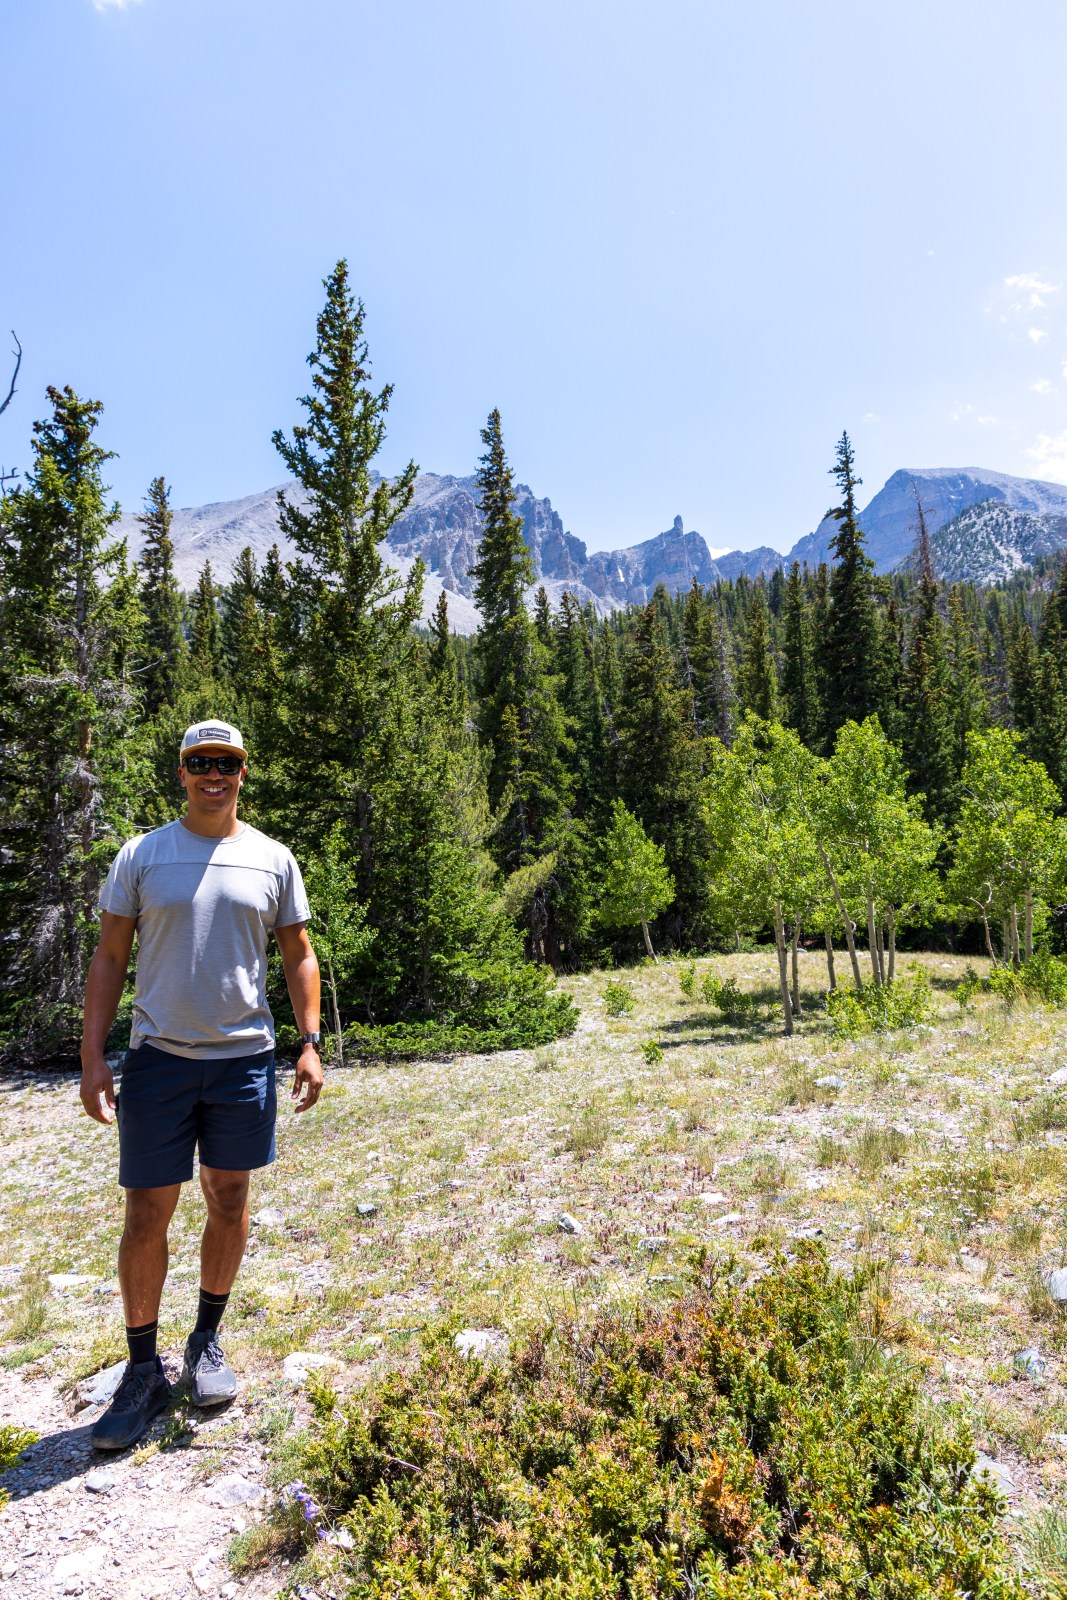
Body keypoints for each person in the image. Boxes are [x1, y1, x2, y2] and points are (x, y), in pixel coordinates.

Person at [79, 719, 323, 1451]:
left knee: (230, 1199)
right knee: (145, 1214)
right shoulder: (142, 855)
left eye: (226, 762)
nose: (214, 773)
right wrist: (93, 1057)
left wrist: (310, 1043)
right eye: (200, 761)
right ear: (182, 770)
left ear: (243, 772)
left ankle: (205, 1340)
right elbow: (109, 957)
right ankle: (142, 1370)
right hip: (159, 1059)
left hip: (244, 1061)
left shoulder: (273, 859)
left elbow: (299, 953)